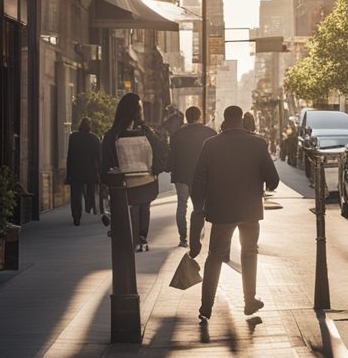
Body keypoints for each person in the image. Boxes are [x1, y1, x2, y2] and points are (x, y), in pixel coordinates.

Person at [192, 105, 281, 321]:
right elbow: (273, 180)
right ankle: (249, 300)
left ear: (225, 120)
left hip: (221, 211)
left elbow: (198, 180)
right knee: (249, 252)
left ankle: (206, 307)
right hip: (250, 210)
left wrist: (199, 207)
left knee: (214, 257)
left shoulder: (210, 145)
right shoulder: (258, 143)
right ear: (241, 119)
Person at [101, 93, 166, 251]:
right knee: (144, 207)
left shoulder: (113, 134)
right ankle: (141, 239)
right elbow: (161, 150)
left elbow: (106, 161)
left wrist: (107, 180)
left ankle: (132, 238)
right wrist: (156, 169)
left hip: (124, 181)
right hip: (147, 179)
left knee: (132, 208)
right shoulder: (146, 131)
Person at [170, 107, 217, 250]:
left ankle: (183, 238)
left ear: (186, 117)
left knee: (181, 206)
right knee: (200, 207)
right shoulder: (210, 133)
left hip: (181, 175)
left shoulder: (176, 135)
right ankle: (198, 235)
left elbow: (172, 156)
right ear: (200, 116)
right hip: (201, 176)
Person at [66, 117, 102, 225]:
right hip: (90, 171)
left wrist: (68, 174)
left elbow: (70, 156)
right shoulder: (94, 138)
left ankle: (76, 216)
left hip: (76, 171)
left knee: (75, 196)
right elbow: (99, 157)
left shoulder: (73, 137)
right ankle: (89, 207)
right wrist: (100, 173)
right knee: (91, 192)